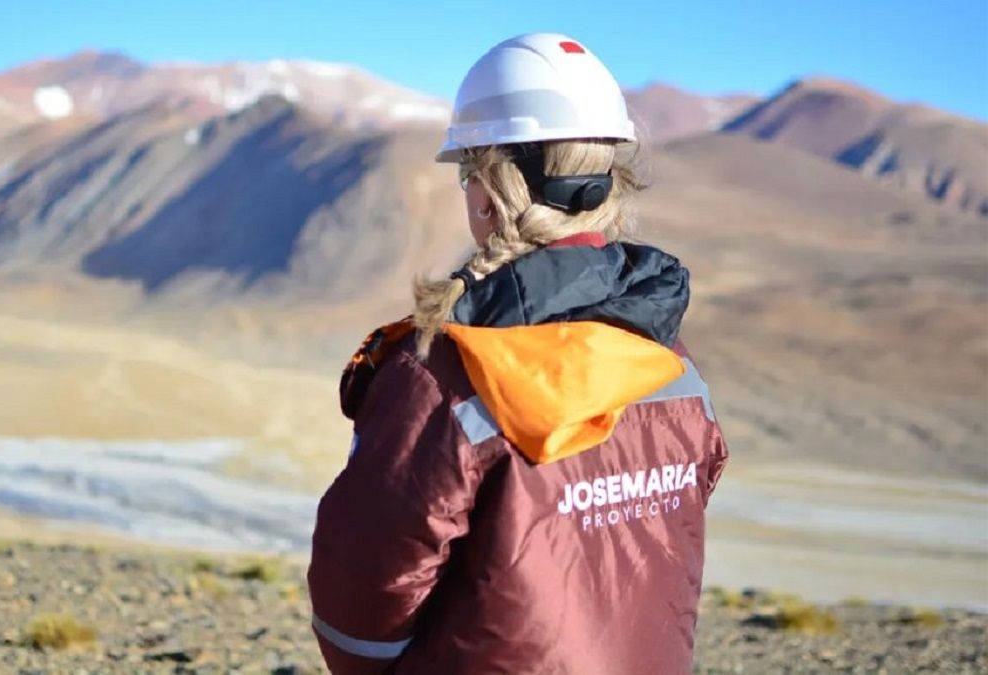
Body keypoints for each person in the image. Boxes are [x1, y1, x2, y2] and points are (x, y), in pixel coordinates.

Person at [308, 33, 728, 674]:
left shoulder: (443, 373)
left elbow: (365, 588)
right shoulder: (669, 357)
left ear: (487, 190)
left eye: (467, 173)